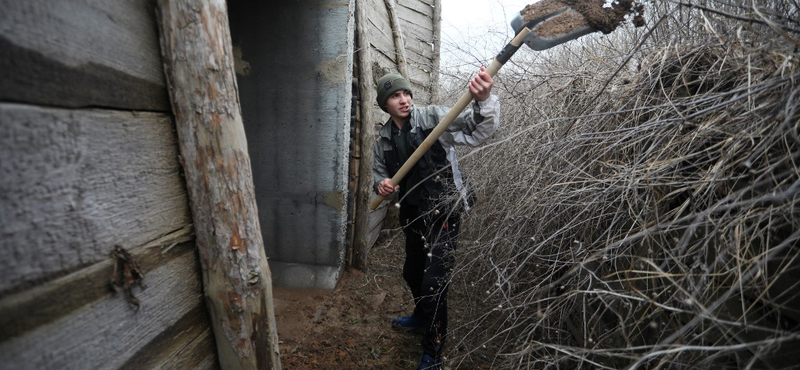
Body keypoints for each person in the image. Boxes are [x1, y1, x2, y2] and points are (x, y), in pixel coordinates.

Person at [372, 68, 500, 370]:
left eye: (406, 93)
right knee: (412, 273)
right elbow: (380, 175)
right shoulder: (384, 140)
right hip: (413, 212)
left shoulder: (433, 118)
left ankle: (433, 352)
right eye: (394, 96)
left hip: (444, 210)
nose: (404, 100)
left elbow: (476, 130)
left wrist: (484, 101)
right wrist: (381, 184)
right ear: (384, 105)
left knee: (433, 283)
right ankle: (421, 316)